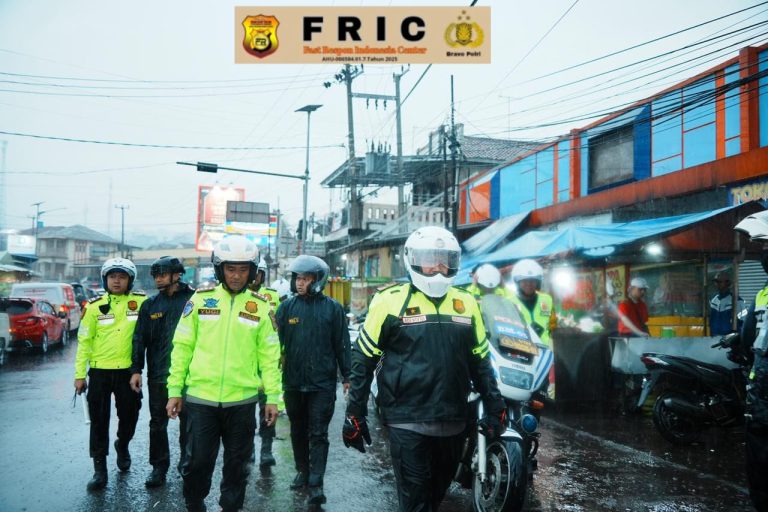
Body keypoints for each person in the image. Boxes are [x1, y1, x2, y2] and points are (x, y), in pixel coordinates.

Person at [344, 226, 505, 512]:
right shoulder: (389, 300)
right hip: (406, 419)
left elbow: (480, 361)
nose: (438, 267)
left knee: (435, 495)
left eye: (445, 259)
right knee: (416, 500)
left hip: (453, 419)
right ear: (412, 260)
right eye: (430, 259)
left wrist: (495, 405)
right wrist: (354, 413)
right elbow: (363, 359)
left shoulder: (466, 302)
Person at [166, 235, 281, 512]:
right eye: (231, 269)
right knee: (197, 463)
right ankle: (195, 504)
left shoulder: (261, 306)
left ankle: (230, 507)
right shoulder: (200, 300)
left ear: (252, 272)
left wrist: (274, 397)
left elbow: (270, 356)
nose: (237, 276)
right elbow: (181, 347)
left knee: (237, 466)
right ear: (220, 270)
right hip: (200, 400)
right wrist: (174, 391)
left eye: (243, 269)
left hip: (242, 402)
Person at [275, 254, 350, 506]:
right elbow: (276, 345)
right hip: (293, 382)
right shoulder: (286, 308)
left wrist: (347, 376)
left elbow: (342, 345)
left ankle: (316, 483)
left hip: (322, 384)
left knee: (318, 433)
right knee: (297, 428)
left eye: (305, 278)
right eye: (297, 278)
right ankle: (302, 471)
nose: (299, 283)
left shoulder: (333, 309)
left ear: (318, 280)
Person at [74, 258, 147, 491]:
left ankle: (122, 444)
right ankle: (99, 470)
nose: (117, 280)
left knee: (130, 416)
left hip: (128, 372)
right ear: (106, 279)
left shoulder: (142, 303)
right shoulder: (94, 306)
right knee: (99, 420)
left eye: (122, 276)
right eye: (112, 276)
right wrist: (79, 375)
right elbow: (84, 342)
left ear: (130, 281)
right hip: (99, 372)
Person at [129, 256, 195, 487]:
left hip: (189, 375)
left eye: (162, 274)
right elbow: (139, 339)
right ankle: (159, 467)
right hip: (157, 375)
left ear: (177, 275)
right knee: (158, 423)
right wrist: (136, 370)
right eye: (155, 275)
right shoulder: (150, 305)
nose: (158, 279)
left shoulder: (193, 301)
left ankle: (188, 462)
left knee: (189, 422)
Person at [735, 212, 768, 510]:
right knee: (758, 454)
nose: (765, 255)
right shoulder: (761, 294)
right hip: (761, 386)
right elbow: (747, 337)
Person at [248, 257, 282, 468]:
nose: (255, 278)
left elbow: (279, 328)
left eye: (259, 273)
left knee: (267, 407)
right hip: (245, 361)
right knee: (245, 411)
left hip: (267, 360)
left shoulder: (273, 297)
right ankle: (248, 448)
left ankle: (266, 448)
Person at [509, 258, 558, 397]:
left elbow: (553, 321)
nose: (529, 284)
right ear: (518, 282)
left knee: (542, 389)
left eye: (532, 281)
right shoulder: (510, 302)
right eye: (525, 281)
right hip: (521, 350)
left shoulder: (546, 299)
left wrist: (553, 325)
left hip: (543, 351)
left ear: (538, 282)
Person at [709, 271, 745, 336]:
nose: (716, 284)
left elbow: (743, 322)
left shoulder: (737, 301)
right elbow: (711, 320)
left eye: (719, 282)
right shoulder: (713, 300)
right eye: (715, 282)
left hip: (730, 340)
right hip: (714, 338)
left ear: (727, 283)